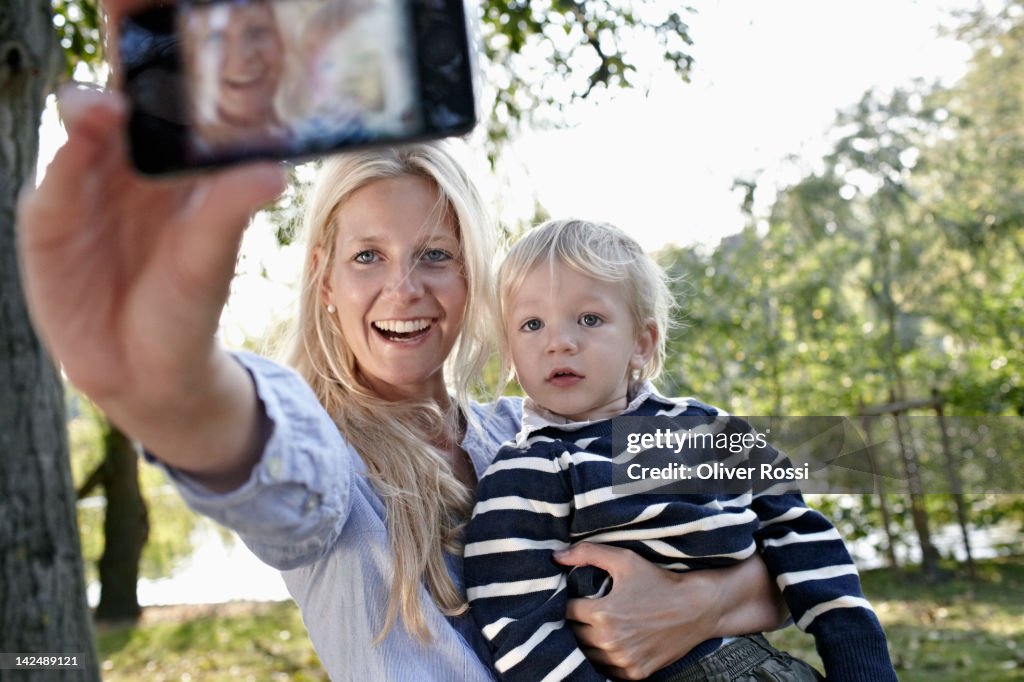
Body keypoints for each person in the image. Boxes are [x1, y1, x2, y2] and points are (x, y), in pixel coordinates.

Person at [16, 4, 788, 676]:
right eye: (367, 258)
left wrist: (701, 601)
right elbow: (256, 454)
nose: (404, 290)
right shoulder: (332, 463)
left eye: (435, 256)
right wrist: (171, 383)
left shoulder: (534, 427)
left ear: (471, 274)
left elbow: (804, 512)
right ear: (324, 279)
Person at [464, 219, 898, 682]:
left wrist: (861, 664)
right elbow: (516, 621)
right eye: (532, 324)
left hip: (764, 665)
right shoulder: (530, 469)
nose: (559, 342)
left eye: (589, 319)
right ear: (509, 354)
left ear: (642, 343)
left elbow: (804, 537)